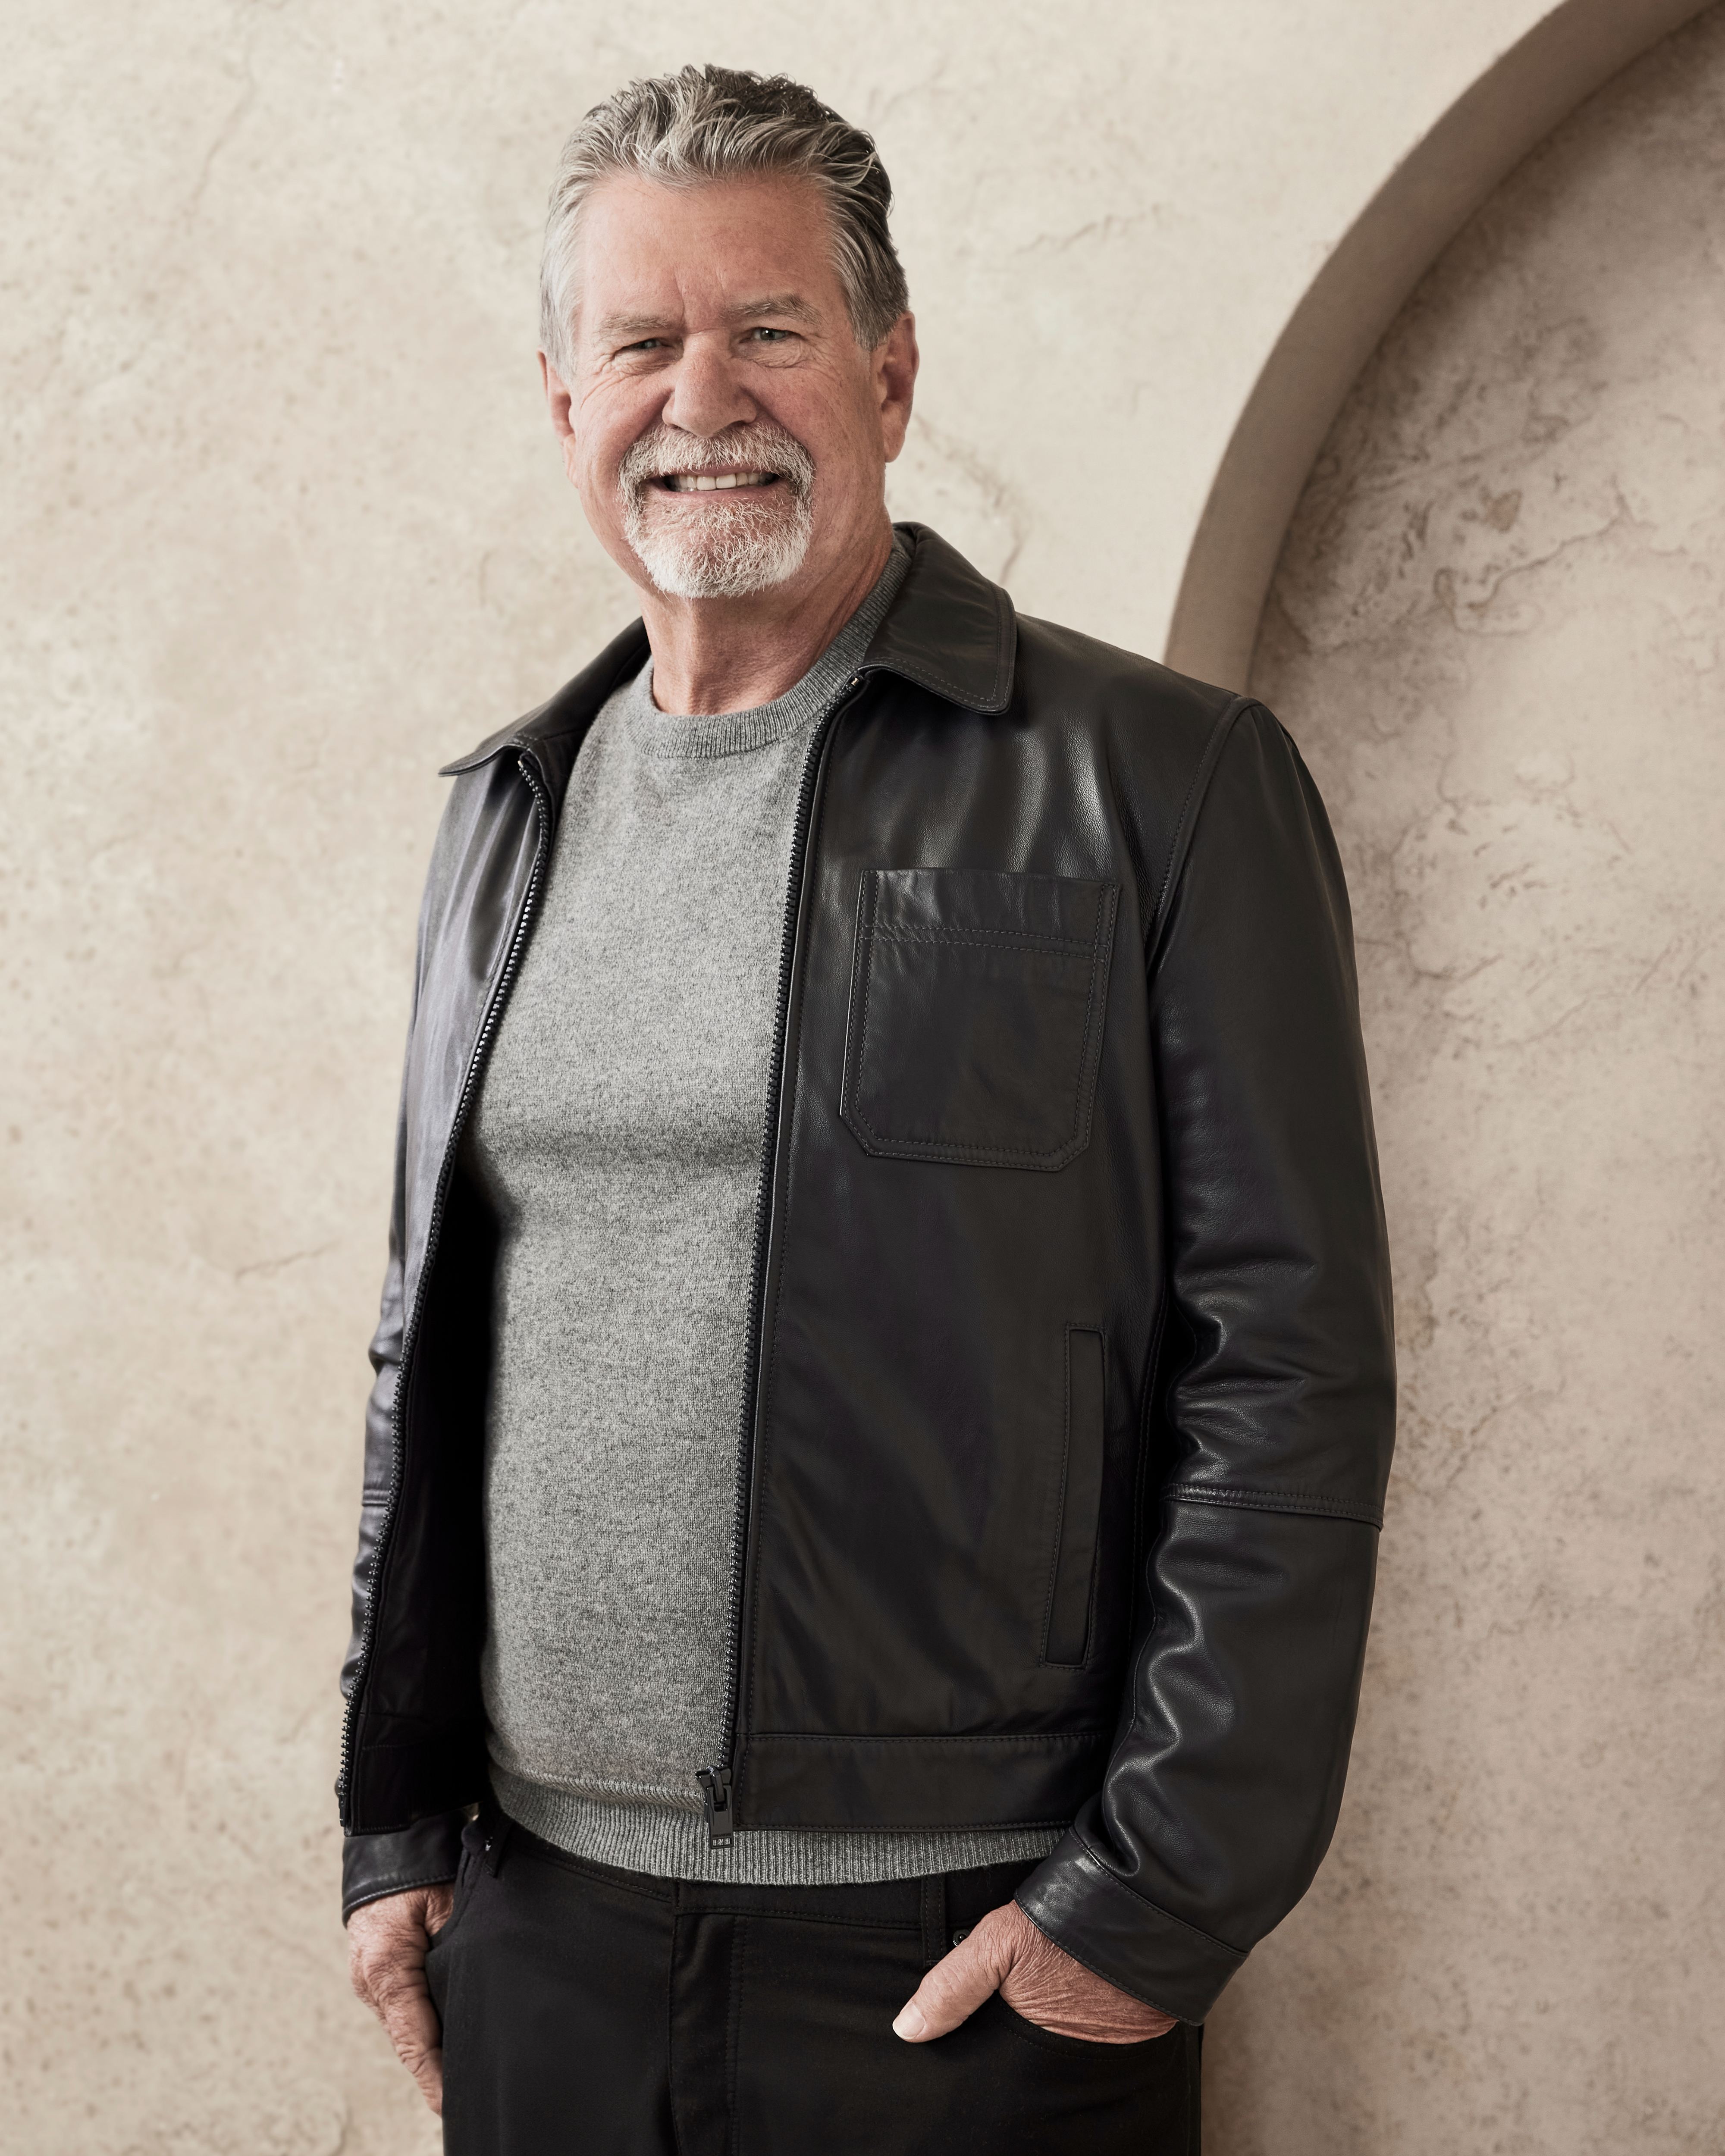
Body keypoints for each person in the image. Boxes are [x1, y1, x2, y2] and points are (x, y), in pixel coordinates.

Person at [338, 64, 1395, 2155]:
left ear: (890, 375)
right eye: (639, 343)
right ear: (562, 400)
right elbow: (423, 1344)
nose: (700, 397)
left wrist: (1148, 1906)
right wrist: (392, 1821)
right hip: (536, 1932)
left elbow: (1288, 1365)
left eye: (770, 329)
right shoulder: (505, 815)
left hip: (963, 1957)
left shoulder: (1161, 782)